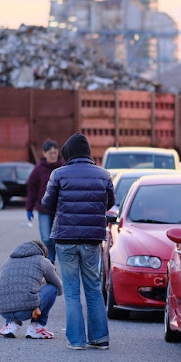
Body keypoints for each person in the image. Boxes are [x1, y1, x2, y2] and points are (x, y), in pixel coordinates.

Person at [42, 132, 115, 350]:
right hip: (92, 240)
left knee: (72, 292)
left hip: (65, 239)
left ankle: (77, 341)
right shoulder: (103, 175)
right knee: (93, 288)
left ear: (68, 153)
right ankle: (100, 338)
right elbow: (110, 201)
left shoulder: (59, 174)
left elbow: (47, 204)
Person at [0, 239, 63, 339]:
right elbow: (58, 285)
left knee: (11, 288)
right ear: (42, 252)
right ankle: (36, 327)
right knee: (52, 288)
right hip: (26, 310)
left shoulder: (8, 261)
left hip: (3, 311)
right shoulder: (42, 261)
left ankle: (11, 325)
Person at [25, 139, 65, 264]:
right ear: (44, 153)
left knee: (60, 238)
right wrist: (29, 208)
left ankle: (54, 261)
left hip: (60, 209)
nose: (53, 155)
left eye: (55, 152)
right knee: (46, 237)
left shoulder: (63, 167)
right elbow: (31, 189)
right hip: (44, 209)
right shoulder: (38, 170)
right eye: (50, 153)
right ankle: (50, 258)